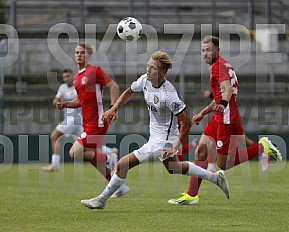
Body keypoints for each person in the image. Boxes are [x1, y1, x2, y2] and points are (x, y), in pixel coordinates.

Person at [80, 50, 231, 210]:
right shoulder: (145, 80)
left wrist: (176, 144)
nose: (148, 70)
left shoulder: (168, 94)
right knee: (175, 168)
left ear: (163, 72)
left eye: (152, 68)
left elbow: (186, 121)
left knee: (122, 164)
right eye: (148, 66)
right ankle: (215, 178)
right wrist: (114, 108)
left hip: (164, 141)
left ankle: (101, 200)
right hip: (155, 137)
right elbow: (129, 91)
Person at [168, 36, 282, 205]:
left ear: (217, 50)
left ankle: (261, 147)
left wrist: (222, 103)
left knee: (223, 164)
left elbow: (227, 89)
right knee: (201, 150)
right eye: (203, 50)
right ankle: (192, 195)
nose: (205, 53)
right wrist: (203, 112)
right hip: (223, 114)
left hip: (226, 117)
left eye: (209, 50)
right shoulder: (221, 65)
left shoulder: (218, 67)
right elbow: (222, 95)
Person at [56, 42, 129, 197]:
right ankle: (118, 186)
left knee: (74, 153)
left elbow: (114, 87)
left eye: (82, 52)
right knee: (92, 157)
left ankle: (109, 158)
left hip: (98, 121)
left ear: (88, 55)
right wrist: (65, 104)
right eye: (77, 52)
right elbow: (80, 101)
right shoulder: (76, 77)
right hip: (87, 122)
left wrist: (112, 108)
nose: (79, 55)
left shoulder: (94, 71)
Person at [42, 69, 83, 172]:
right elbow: (55, 102)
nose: (66, 78)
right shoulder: (62, 87)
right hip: (73, 121)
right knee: (89, 143)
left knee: (54, 136)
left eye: (68, 76)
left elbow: (81, 100)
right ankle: (108, 153)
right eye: (64, 77)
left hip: (73, 119)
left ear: (72, 76)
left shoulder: (77, 86)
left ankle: (55, 165)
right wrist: (59, 98)